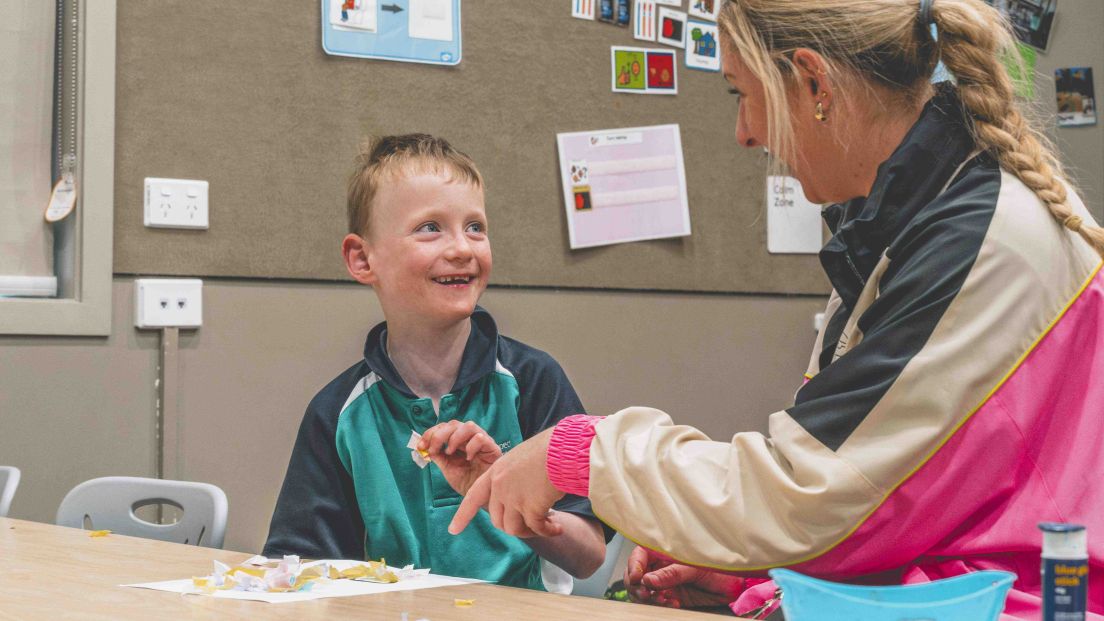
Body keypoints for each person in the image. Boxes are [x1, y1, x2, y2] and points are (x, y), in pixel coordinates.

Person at [448, 1, 1104, 618]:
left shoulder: (973, 241)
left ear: (813, 84)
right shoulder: (911, 226)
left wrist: (581, 451)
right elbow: (896, 492)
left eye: (742, 94)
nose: (743, 133)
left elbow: (803, 489)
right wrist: (762, 570)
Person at [263, 134, 607, 592]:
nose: (462, 248)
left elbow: (589, 556)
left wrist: (514, 505)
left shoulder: (534, 380)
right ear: (362, 258)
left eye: (475, 227)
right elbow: (299, 567)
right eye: (430, 227)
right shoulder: (337, 412)